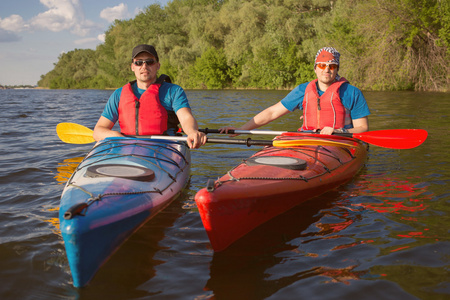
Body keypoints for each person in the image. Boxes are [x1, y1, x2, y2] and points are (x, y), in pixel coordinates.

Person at [221, 47, 370, 136]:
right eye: (322, 65)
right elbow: (272, 113)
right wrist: (241, 130)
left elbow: (363, 128)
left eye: (331, 66)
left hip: (340, 142)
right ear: (315, 68)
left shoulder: (352, 92)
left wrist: (339, 131)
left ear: (336, 69)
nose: (326, 70)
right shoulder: (302, 90)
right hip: (307, 139)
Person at [93, 44, 206, 149]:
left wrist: (192, 131)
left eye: (150, 62)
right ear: (132, 67)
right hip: (127, 148)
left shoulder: (173, 91)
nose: (144, 66)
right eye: (139, 62)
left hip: (165, 149)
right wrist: (117, 137)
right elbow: (98, 131)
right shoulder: (119, 94)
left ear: (158, 65)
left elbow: (186, 117)